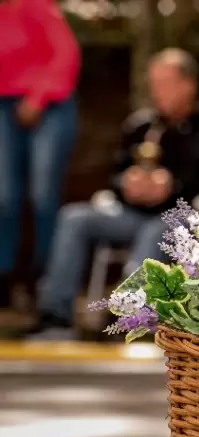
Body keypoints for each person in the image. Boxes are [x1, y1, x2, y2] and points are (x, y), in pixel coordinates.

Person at [28, 48, 199, 340]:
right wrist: (126, 184)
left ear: (189, 85)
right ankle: (55, 315)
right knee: (74, 217)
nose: (157, 92)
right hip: (132, 213)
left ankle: (127, 317)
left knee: (155, 230)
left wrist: (172, 187)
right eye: (154, 84)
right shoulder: (140, 126)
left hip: (180, 220)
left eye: (166, 84)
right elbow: (114, 175)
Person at [0, 0, 80, 309]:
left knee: (43, 195)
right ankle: (5, 277)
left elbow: (66, 55)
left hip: (49, 104)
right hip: (4, 106)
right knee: (4, 197)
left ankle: (44, 276)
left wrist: (38, 96)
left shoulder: (37, 7)